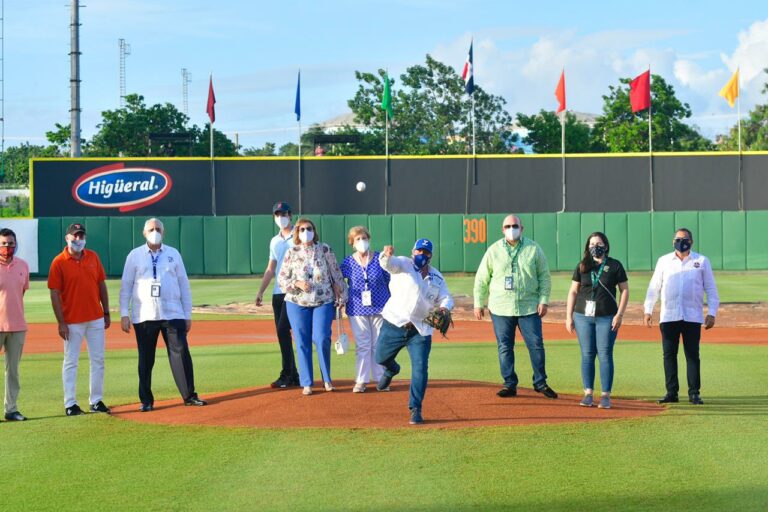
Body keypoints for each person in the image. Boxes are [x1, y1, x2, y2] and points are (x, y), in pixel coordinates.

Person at [119, 218, 206, 411]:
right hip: (144, 315)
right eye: (151, 229)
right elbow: (126, 286)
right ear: (144, 233)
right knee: (146, 359)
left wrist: (187, 314)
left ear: (163, 232)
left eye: (158, 229)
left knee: (181, 353)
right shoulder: (134, 256)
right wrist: (124, 313)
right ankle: (146, 401)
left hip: (172, 312)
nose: (154, 231)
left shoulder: (173, 254)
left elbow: (184, 285)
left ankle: (189, 395)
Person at [473, 214, 558, 399]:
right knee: (504, 346)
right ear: (503, 229)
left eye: (515, 225)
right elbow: (481, 279)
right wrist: (478, 303)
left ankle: (540, 382)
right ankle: (509, 384)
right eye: (508, 226)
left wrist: (543, 300)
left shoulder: (533, 249)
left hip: (529, 307)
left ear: (522, 228)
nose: (512, 229)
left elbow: (544, 276)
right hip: (501, 307)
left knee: (536, 345)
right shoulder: (493, 250)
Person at [375, 239, 453, 425]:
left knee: (420, 369)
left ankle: (415, 409)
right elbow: (387, 265)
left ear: (431, 256)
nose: (422, 255)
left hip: (420, 330)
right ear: (413, 251)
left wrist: (445, 308)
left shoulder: (437, 277)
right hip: (394, 323)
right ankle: (392, 369)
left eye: (426, 252)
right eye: (419, 251)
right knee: (380, 358)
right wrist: (386, 255)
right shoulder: (402, 264)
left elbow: (446, 297)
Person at [644, 228, 719, 405]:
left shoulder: (701, 261)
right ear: (673, 242)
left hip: (692, 316)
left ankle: (694, 393)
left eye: (685, 239)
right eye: (678, 239)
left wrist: (712, 313)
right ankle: (672, 392)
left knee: (692, 355)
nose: (681, 241)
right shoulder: (664, 261)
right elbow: (654, 287)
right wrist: (648, 309)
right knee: (669, 355)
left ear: (691, 242)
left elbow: (711, 289)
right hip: (669, 315)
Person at [278, 218, 347, 396]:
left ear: (314, 231)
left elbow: (336, 274)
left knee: (322, 337)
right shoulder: (291, 252)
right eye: (301, 229)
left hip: (323, 300)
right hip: (297, 302)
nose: (305, 232)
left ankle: (326, 379)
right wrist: (297, 283)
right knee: (302, 340)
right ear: (297, 233)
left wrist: (341, 295)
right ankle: (307, 382)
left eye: (309, 228)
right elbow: (282, 279)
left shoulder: (325, 249)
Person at [48, 223, 112, 416]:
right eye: (74, 236)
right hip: (72, 320)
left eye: (81, 235)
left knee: (98, 360)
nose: (78, 239)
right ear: (67, 238)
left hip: (95, 318)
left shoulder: (93, 256)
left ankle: (96, 400)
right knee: (71, 361)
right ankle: (70, 403)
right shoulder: (59, 261)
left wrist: (106, 311)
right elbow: (54, 293)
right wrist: (61, 321)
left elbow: (101, 284)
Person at [565, 232, 629, 409]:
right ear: (588, 247)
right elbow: (573, 291)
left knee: (605, 354)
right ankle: (588, 393)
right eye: (592, 244)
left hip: (607, 317)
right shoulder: (583, 266)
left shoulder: (615, 265)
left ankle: (606, 395)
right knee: (587, 355)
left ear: (606, 246)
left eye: (599, 243)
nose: (596, 247)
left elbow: (624, 290)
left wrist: (620, 315)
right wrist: (568, 316)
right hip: (582, 316)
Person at [340, 226, 390, 393]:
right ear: (352, 243)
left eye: (364, 238)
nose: (362, 242)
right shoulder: (347, 262)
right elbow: (340, 282)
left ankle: (380, 379)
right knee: (363, 345)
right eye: (358, 239)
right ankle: (361, 380)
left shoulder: (379, 258)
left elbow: (391, 278)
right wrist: (339, 298)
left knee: (378, 345)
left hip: (381, 306)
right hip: (357, 307)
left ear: (369, 239)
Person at [255, 202, 300, 389]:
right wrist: (261, 291)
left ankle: (289, 373)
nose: (280, 217)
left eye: (283, 213)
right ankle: (292, 374)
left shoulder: (299, 236)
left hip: (295, 291)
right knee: (282, 334)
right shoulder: (275, 241)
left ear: (290, 215)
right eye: (277, 214)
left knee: (285, 330)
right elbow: (271, 268)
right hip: (278, 292)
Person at [0, 228, 29, 422]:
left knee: (13, 371)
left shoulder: (23, 266)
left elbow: (21, 292)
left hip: (17, 325)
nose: (7, 247)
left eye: (10, 243)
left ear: (15, 244)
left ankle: (11, 409)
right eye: (3, 243)